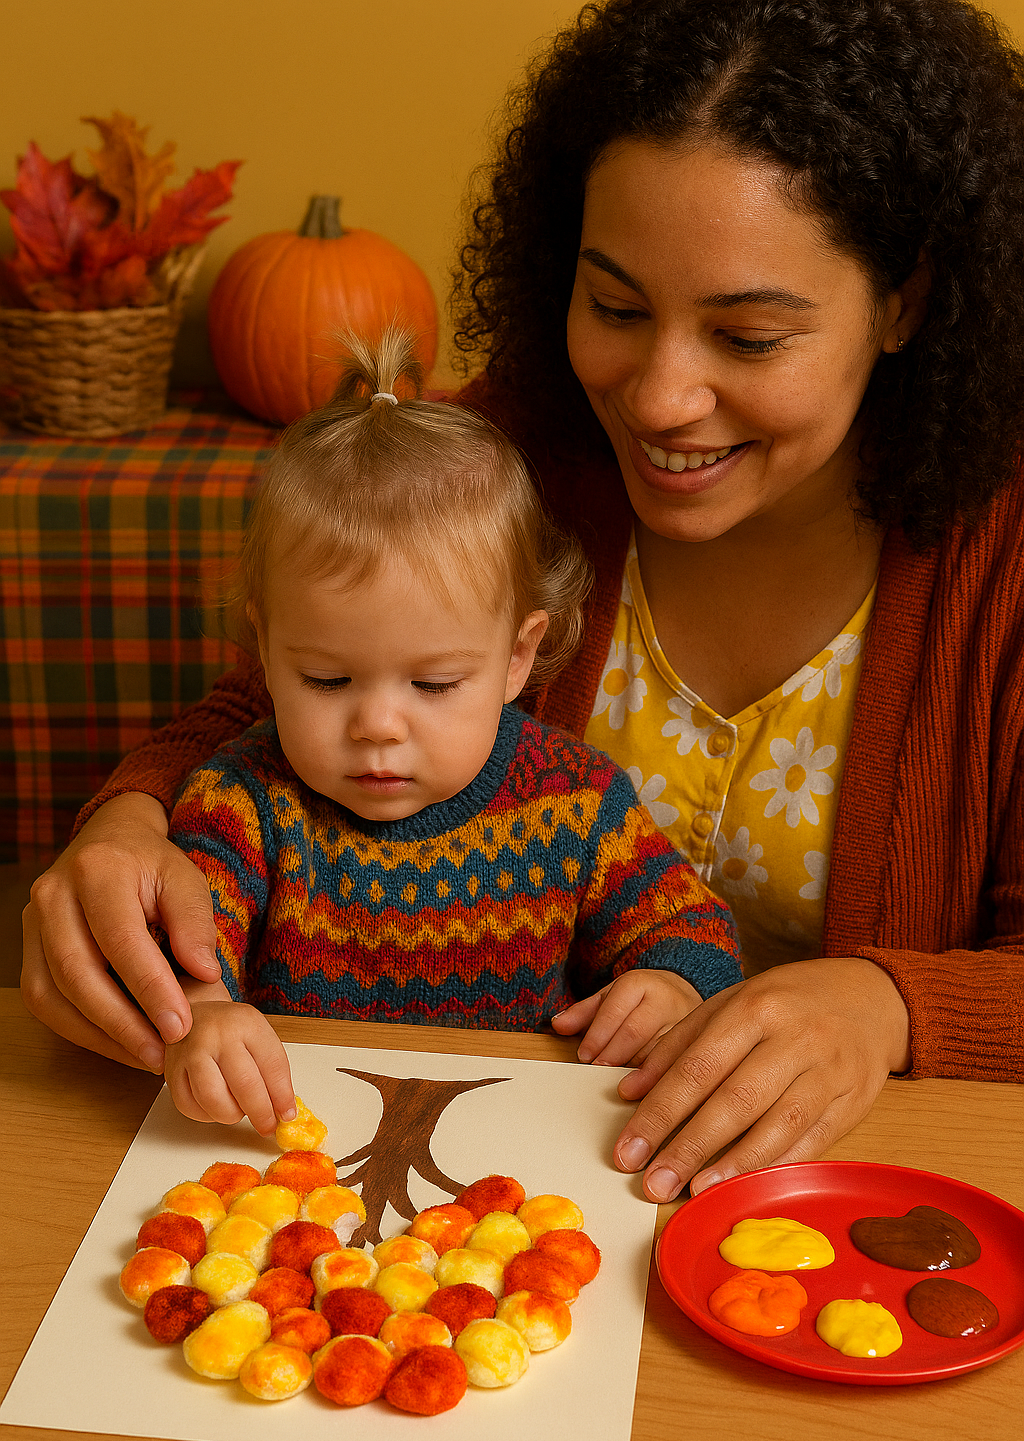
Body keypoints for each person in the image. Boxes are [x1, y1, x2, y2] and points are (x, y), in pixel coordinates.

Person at [22, 0, 1024, 1200]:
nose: (657, 397)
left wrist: (892, 1007)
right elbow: (276, 701)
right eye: (613, 307)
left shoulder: (997, 551)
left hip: (847, 1197)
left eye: (748, 337)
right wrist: (129, 825)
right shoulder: (508, 457)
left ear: (907, 301)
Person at [157, 329, 741, 1134]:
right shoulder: (241, 804)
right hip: (294, 1150)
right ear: (264, 647)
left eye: (434, 684)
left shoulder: (575, 802)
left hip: (524, 1148)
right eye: (326, 679)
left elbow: (693, 929)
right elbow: (184, 941)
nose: (377, 727)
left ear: (517, 657)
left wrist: (671, 985)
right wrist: (201, 1013)